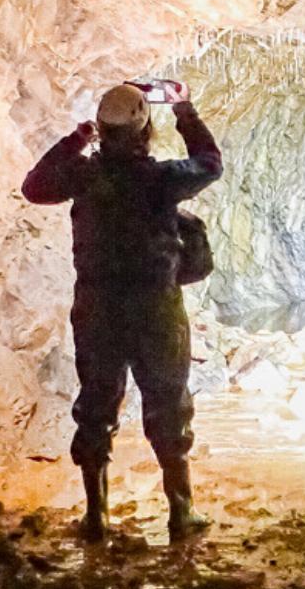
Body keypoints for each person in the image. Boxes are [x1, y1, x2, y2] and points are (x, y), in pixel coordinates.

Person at [21, 79, 221, 543]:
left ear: (104, 131)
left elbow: (34, 187)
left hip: (98, 307)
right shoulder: (162, 178)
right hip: (156, 306)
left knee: (96, 405)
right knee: (169, 404)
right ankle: (181, 511)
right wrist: (185, 110)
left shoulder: (84, 176)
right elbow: (210, 164)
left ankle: (97, 516)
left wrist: (77, 139)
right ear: (144, 129)